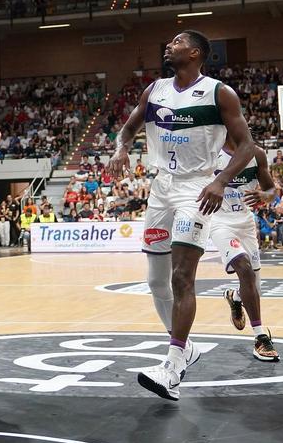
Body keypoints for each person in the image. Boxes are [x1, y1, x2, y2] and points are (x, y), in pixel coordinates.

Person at [106, 30, 255, 401]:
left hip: (197, 189)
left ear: (194, 53)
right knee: (156, 282)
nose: (168, 45)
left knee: (181, 276)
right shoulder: (154, 90)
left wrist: (221, 181)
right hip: (161, 190)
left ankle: (173, 366)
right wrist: (121, 149)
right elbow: (127, 129)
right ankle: (186, 349)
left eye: (175, 42)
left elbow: (248, 146)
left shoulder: (220, 92)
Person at [213, 142, 280, 362]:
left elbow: (271, 189)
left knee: (255, 286)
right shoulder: (211, 151)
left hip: (245, 223)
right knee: (244, 269)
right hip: (219, 221)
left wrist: (265, 195)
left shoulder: (257, 153)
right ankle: (261, 337)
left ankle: (235, 297)